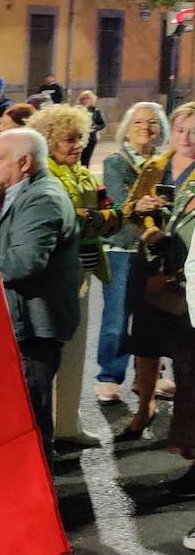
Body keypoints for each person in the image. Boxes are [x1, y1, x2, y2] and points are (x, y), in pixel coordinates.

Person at [28, 105, 121, 448]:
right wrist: (96, 217)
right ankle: (50, 429)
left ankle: (66, 424)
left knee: (74, 351)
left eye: (80, 137)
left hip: (82, 270)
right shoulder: (45, 176)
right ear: (49, 141)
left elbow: (107, 215)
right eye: (69, 138)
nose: (78, 144)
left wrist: (95, 216)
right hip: (54, 277)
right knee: (53, 353)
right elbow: (71, 221)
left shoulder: (81, 174)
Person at [0, 128, 80, 453]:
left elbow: (25, 261)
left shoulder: (42, 198)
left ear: (24, 162)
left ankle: (40, 497)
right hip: (24, 322)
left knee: (29, 419)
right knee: (22, 413)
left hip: (33, 328)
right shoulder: (23, 193)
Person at [121, 102, 195, 478]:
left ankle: (184, 430)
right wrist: (142, 205)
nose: (186, 138)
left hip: (184, 269)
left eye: (193, 132)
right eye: (181, 130)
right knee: (145, 341)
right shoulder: (156, 166)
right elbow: (128, 207)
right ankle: (143, 408)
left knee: (185, 352)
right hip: (150, 260)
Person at [97, 103, 168, 406]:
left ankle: (149, 375)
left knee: (156, 315)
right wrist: (139, 204)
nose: (145, 127)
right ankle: (109, 376)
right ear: (127, 126)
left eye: (152, 122)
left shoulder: (165, 161)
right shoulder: (117, 160)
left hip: (158, 248)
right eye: (138, 121)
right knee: (117, 317)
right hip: (123, 248)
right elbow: (120, 198)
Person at [78, 89, 107, 167]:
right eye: (84, 99)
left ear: (91, 100)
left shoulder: (96, 110)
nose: (86, 101)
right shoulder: (78, 109)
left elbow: (103, 124)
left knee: (86, 160)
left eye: (88, 99)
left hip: (91, 138)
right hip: (79, 138)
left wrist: (95, 127)